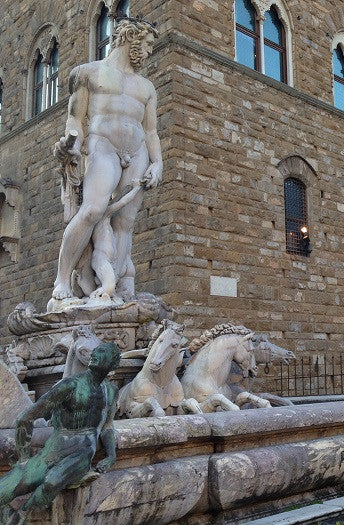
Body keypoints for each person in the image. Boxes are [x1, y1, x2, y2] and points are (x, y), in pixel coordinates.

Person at [50, 18, 162, 310]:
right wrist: (72, 143)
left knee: (125, 222)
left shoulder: (147, 87)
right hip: (103, 145)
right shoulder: (87, 73)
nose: (150, 51)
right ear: (130, 38)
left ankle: (119, 287)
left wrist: (158, 163)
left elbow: (151, 131)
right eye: (148, 44)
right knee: (93, 210)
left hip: (138, 152)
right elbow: (75, 118)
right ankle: (62, 281)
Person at [0, 343, 120, 514]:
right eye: (94, 351)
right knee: (13, 485)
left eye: (101, 352)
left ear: (114, 364)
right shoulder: (69, 385)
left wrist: (111, 456)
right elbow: (25, 418)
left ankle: (19, 514)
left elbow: (107, 425)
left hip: (84, 449)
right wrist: (24, 457)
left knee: (51, 482)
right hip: (56, 446)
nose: (94, 354)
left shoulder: (111, 390)